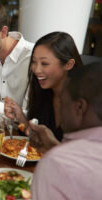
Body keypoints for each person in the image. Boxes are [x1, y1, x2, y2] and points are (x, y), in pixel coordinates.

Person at [29, 62, 102, 199]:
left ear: (79, 107)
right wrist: (54, 147)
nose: (60, 109)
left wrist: (56, 154)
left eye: (62, 102)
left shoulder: (56, 164)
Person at [4, 31, 83, 141]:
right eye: (34, 62)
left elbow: (85, 155)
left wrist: (51, 143)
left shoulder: (85, 104)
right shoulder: (43, 92)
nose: (36, 70)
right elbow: (37, 138)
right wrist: (21, 117)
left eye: (44, 63)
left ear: (69, 64)